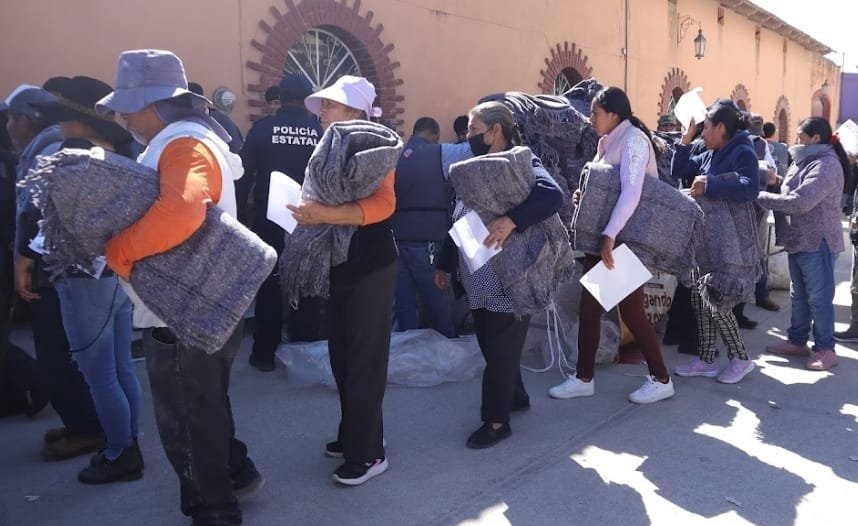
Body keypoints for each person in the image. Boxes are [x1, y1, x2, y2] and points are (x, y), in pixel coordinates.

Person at [97, 49, 262, 525]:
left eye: (129, 108)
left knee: (186, 417)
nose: (124, 118)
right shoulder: (194, 140)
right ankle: (236, 472)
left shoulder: (183, 144)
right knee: (206, 402)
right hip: (208, 300)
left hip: (181, 308)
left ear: (153, 104)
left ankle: (215, 510)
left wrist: (119, 252)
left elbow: (181, 210)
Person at [32, 75, 143, 484]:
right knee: (121, 367)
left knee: (100, 375)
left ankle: (121, 453)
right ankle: (128, 442)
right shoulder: (124, 154)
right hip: (117, 271)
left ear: (78, 121)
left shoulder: (71, 159)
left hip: (82, 276)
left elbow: (44, 217)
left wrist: (23, 258)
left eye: (62, 117)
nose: (59, 126)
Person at [434, 101, 564, 448]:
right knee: (492, 343)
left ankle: (496, 421)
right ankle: (515, 396)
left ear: (495, 131)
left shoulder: (520, 161)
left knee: (500, 344)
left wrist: (511, 220)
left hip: (510, 277)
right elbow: (459, 217)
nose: (467, 136)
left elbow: (552, 195)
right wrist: (444, 263)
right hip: (478, 273)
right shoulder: (471, 169)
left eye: (474, 129)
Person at [289, 75, 398, 485]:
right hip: (340, 262)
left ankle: (369, 454)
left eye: (330, 105)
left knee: (363, 360)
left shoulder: (374, 142)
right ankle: (355, 433)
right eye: (323, 106)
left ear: (354, 112)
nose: (322, 112)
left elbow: (384, 204)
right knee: (343, 357)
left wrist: (323, 215)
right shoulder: (332, 143)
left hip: (369, 263)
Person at [548, 87, 674, 404]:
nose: (590, 119)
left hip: (623, 240)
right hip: (608, 238)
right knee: (593, 310)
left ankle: (661, 379)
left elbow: (632, 192)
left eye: (595, 113)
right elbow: (605, 185)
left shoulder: (633, 141)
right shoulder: (608, 141)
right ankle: (584, 378)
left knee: (630, 313)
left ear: (614, 115)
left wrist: (609, 235)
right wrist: (584, 196)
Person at [3, 84, 106, 459]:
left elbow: (38, 211)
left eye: (11, 119)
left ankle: (88, 429)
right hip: (59, 265)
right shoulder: (43, 146)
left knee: (56, 355)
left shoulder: (49, 149)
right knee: (64, 353)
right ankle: (86, 422)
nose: (8, 126)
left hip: (55, 268)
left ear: (27, 119)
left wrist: (24, 259)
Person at [239, 73, 323, 372]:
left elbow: (243, 176)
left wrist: (238, 218)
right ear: (307, 99)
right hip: (311, 218)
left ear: (280, 97)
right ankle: (305, 353)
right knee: (308, 285)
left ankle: (264, 353)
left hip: (269, 219)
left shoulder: (262, 130)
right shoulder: (319, 131)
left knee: (270, 285)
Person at [671, 99, 758, 384]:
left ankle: (740, 358)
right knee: (700, 300)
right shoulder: (711, 152)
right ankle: (707, 359)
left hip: (730, 243)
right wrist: (685, 139)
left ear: (721, 127)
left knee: (717, 301)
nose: (703, 133)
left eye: (706, 127)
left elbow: (750, 188)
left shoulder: (743, 151)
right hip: (706, 241)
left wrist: (710, 185)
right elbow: (679, 170)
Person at [758, 117, 848, 371]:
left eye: (800, 135)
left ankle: (825, 349)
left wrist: (760, 196)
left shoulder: (826, 164)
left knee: (819, 298)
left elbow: (800, 201)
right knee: (798, 296)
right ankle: (797, 340)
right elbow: (792, 190)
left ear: (815, 138)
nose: (796, 139)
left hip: (817, 242)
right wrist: (775, 182)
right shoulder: (807, 160)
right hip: (800, 239)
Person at [392, 116, 456, 338]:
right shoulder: (440, 153)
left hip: (397, 237)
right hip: (429, 237)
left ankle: (409, 346)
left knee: (404, 300)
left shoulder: (394, 155)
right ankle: (447, 343)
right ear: (435, 136)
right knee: (436, 295)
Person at [188, 82, 243, 153]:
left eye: (194, 104)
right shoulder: (182, 122)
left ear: (203, 102)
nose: (189, 109)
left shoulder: (222, 121)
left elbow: (236, 149)